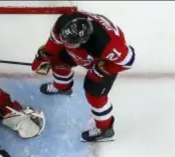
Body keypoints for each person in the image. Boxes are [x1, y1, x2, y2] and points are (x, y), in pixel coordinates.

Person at [31, 10, 135, 142]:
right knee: (57, 60)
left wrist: (103, 70)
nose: (65, 44)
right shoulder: (62, 23)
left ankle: (105, 129)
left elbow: (129, 60)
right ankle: (62, 86)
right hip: (84, 52)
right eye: (64, 40)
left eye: (70, 43)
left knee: (94, 93)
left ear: (84, 40)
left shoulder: (107, 45)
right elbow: (53, 46)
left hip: (103, 61)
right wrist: (43, 58)